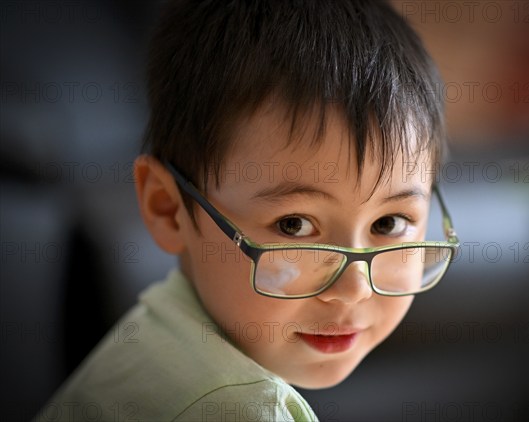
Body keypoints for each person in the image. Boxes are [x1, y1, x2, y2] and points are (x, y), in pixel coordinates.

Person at [36, 0, 459, 420]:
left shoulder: (148, 339)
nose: (353, 289)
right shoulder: (240, 411)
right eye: (294, 225)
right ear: (168, 208)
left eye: (389, 223)